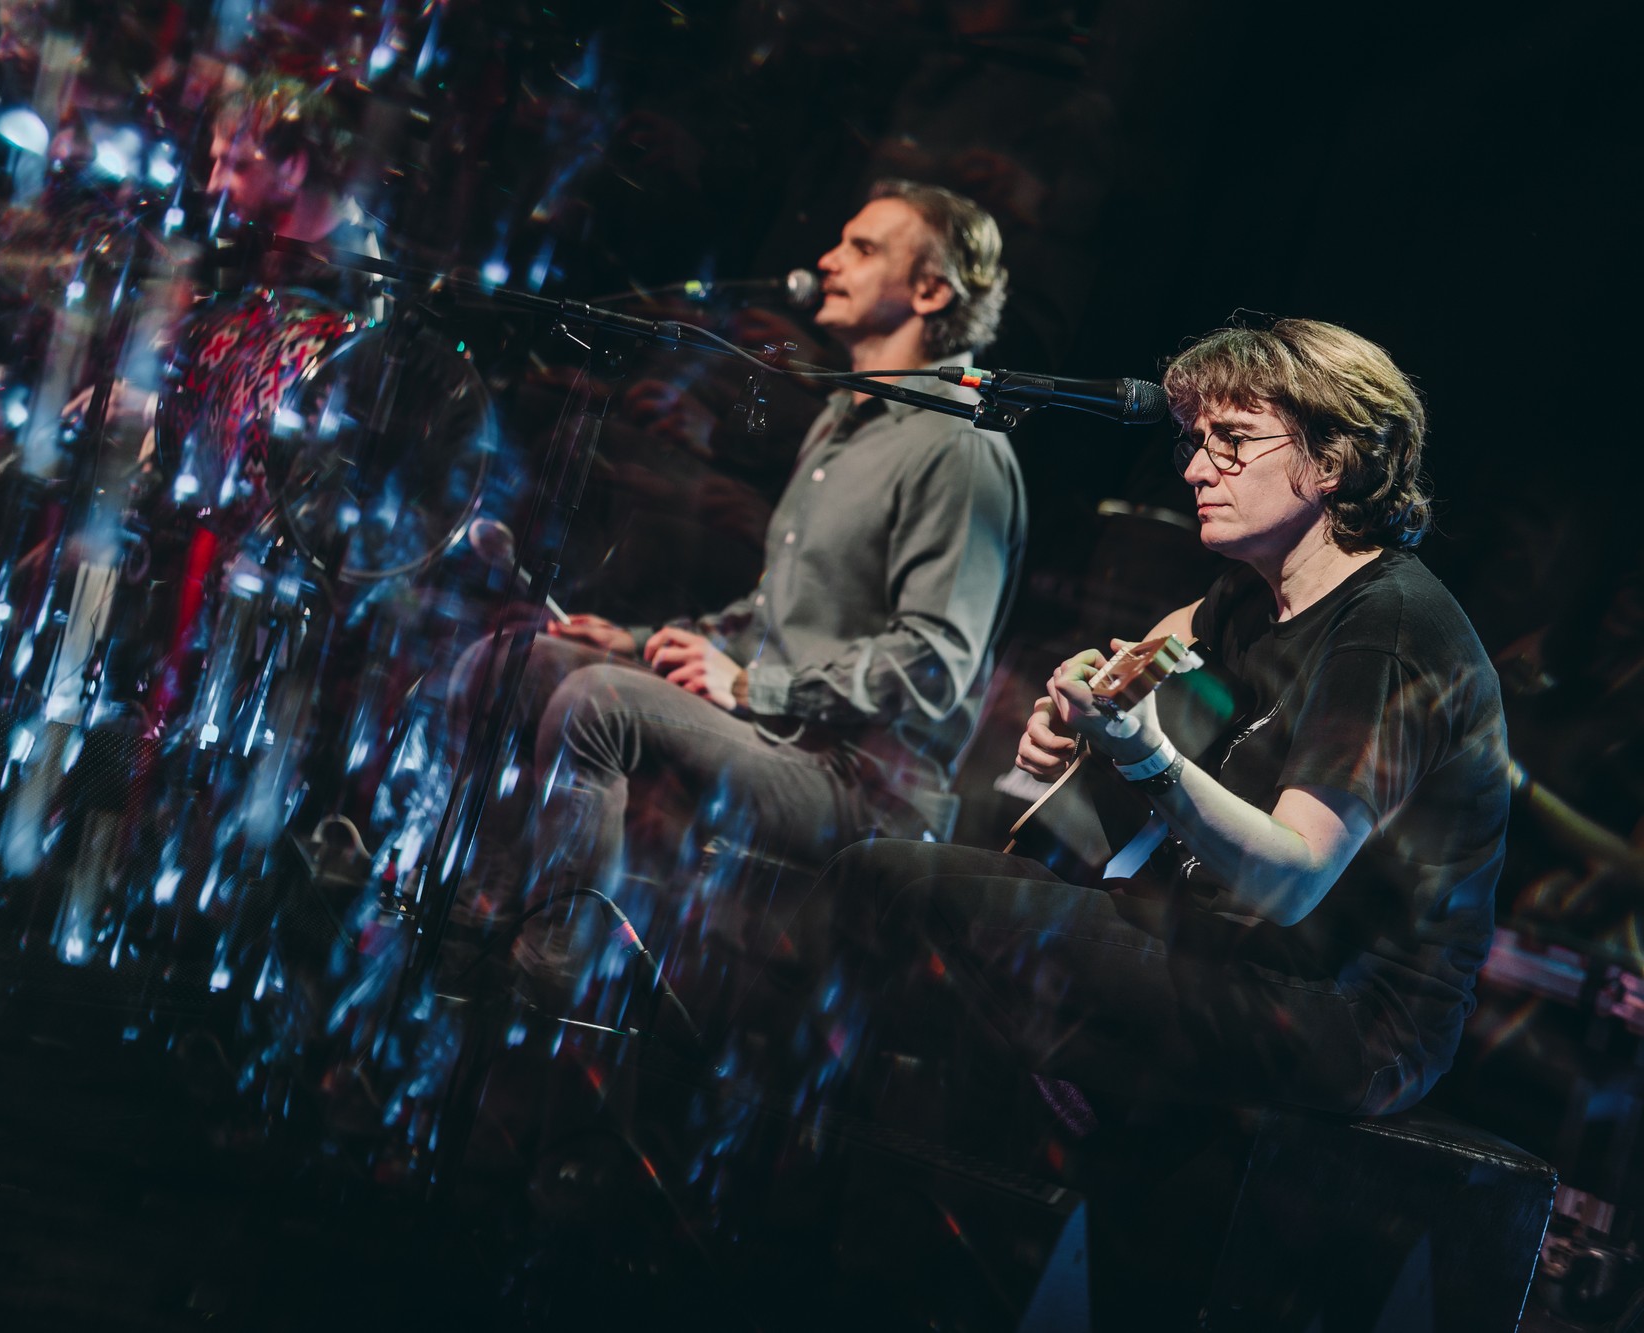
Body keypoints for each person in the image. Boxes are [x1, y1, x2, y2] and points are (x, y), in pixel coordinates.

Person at [775, 318, 1507, 1120]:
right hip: (1230, 943)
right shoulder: (1255, 587)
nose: (1196, 467)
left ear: (1330, 461)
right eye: (1194, 440)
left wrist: (1142, 748)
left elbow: (1294, 879)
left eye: (1232, 439)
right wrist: (1077, 702)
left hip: (1344, 1015)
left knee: (900, 895)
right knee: (872, 878)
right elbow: (1145, 651)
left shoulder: (1388, 632)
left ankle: (778, 1137)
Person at [450, 180, 1026, 948]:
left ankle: (557, 954)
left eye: (863, 247)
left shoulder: (960, 446)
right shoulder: (839, 420)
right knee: (512, 663)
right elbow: (773, 611)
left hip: (865, 781)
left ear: (929, 290)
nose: (828, 259)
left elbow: (934, 663)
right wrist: (638, 637)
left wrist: (757, 684)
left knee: (599, 702)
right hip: (779, 728)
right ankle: (476, 909)